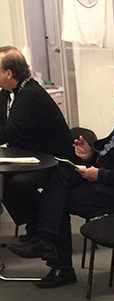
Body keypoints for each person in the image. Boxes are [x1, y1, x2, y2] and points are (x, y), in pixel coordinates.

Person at [11, 75, 114, 289]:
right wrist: (90, 155)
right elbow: (111, 158)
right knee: (57, 174)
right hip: (104, 179)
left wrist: (100, 175)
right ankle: (46, 242)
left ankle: (56, 259)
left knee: (59, 199)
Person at [0, 47, 74, 239]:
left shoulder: (31, 94)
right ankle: (35, 227)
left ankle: (41, 230)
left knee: (18, 184)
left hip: (54, 159)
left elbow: (11, 132)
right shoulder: (6, 94)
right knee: (5, 182)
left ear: (9, 73)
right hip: (31, 156)